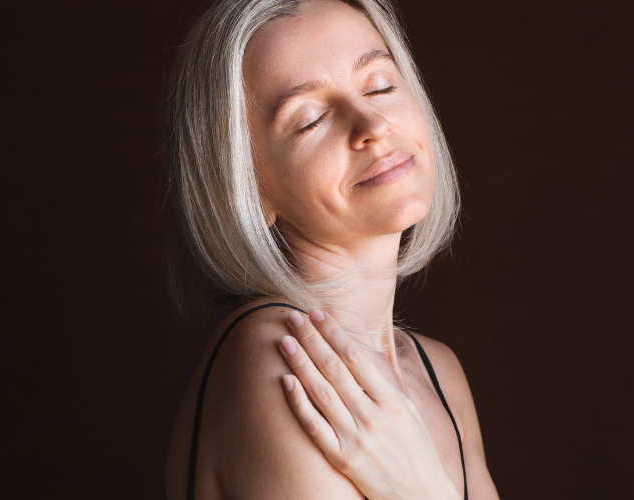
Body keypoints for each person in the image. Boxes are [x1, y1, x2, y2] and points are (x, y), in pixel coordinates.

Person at [163, 0, 499, 498]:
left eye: (381, 85)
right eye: (311, 119)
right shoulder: (284, 361)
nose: (372, 125)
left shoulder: (440, 375)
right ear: (250, 188)